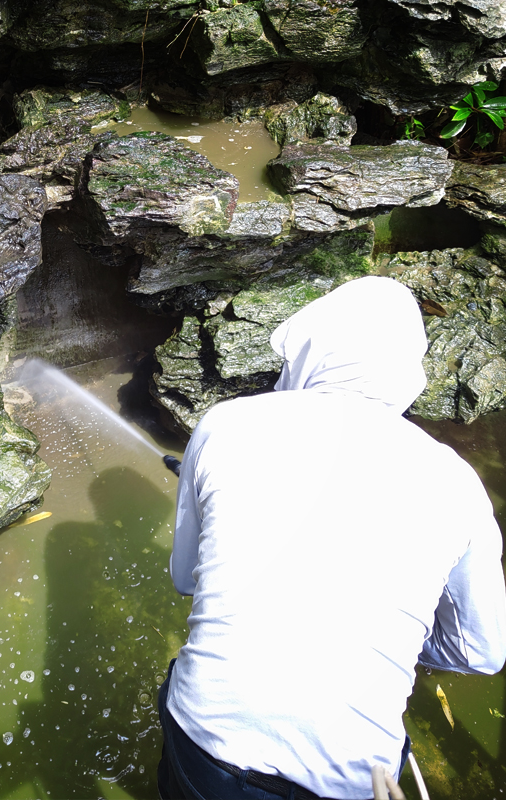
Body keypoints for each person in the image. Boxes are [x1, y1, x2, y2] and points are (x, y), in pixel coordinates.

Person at [157, 276, 506, 800]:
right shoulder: (458, 482)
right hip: (356, 780)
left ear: (310, 347)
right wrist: (399, 636)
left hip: (207, 749)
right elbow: (481, 652)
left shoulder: (226, 425)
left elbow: (185, 579)